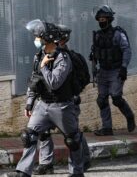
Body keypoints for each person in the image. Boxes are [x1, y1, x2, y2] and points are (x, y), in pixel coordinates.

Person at [8, 19, 84, 177]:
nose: (36, 40)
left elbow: (54, 83)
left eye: (38, 37)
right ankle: (23, 172)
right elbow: (34, 80)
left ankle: (77, 172)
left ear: (47, 39)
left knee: (73, 140)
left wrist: (44, 67)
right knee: (29, 136)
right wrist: (29, 103)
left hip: (62, 107)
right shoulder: (39, 56)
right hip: (43, 105)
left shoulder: (63, 58)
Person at [33, 25, 91, 175]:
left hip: (66, 101)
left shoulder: (69, 56)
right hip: (46, 102)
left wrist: (73, 93)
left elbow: (80, 79)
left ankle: (83, 161)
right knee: (43, 132)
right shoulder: (44, 53)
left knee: (72, 136)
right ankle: (46, 163)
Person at [90, 5, 135, 136]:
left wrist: (124, 67)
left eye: (104, 18)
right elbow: (94, 54)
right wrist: (94, 70)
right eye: (100, 19)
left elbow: (127, 50)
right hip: (103, 71)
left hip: (116, 70)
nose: (101, 21)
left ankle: (129, 116)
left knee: (116, 97)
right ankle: (107, 128)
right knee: (101, 100)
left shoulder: (118, 34)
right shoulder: (97, 36)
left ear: (109, 19)